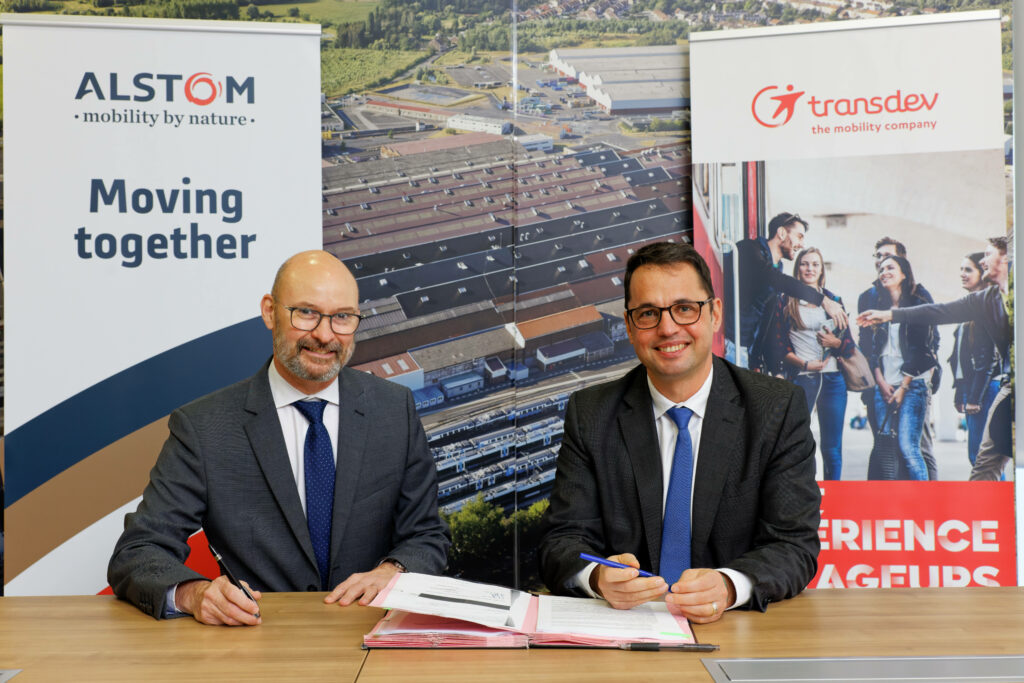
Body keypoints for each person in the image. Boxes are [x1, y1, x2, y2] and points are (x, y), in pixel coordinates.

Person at [108, 250, 451, 624]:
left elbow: (427, 535)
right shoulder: (203, 427)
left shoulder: (394, 409)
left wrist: (394, 570)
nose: (324, 335)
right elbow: (139, 551)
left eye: (342, 317)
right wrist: (196, 594)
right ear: (270, 312)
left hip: (370, 634)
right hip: (257, 641)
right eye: (306, 313)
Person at [539, 241, 821, 624]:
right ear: (629, 327)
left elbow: (793, 544)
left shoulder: (776, 408)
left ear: (715, 314)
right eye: (648, 313)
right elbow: (561, 540)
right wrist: (597, 578)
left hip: (734, 630)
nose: (668, 328)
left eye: (685, 308)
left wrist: (729, 585)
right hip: (626, 630)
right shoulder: (592, 413)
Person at [859, 236, 1013, 481]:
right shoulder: (986, 299)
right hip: (1010, 385)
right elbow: (938, 312)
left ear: (1006, 258)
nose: (982, 261)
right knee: (985, 461)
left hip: (1003, 384)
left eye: (987, 255)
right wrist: (890, 315)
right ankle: (983, 504)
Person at [762, 247, 856, 480]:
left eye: (815, 264)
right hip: (802, 379)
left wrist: (834, 343)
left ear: (822, 270)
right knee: (799, 443)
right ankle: (806, 492)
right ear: (798, 268)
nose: (809, 269)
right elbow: (777, 347)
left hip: (833, 380)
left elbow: (849, 347)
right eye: (804, 263)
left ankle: (834, 495)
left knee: (832, 447)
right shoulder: (785, 301)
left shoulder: (834, 301)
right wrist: (804, 364)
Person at [856, 237, 939, 479]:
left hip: (913, 383)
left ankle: (927, 496)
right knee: (885, 449)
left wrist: (907, 385)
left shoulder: (919, 298)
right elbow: (869, 347)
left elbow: (928, 344)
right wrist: (880, 382)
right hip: (882, 384)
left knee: (914, 448)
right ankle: (889, 499)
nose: (883, 266)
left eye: (889, 261)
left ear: (904, 267)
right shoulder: (870, 299)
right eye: (879, 260)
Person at [723, 212, 848, 369]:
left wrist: (758, 361)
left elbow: (766, 321)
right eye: (799, 237)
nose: (802, 245)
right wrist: (823, 300)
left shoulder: (777, 267)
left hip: (744, 350)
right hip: (730, 344)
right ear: (781, 233)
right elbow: (774, 278)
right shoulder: (748, 249)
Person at [947, 252, 998, 467]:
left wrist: (975, 397)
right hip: (973, 387)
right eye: (961, 269)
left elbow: (987, 360)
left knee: (982, 458)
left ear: (982, 273)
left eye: (968, 269)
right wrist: (960, 392)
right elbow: (959, 358)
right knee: (978, 456)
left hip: (985, 388)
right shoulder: (970, 308)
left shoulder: (986, 308)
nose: (962, 274)